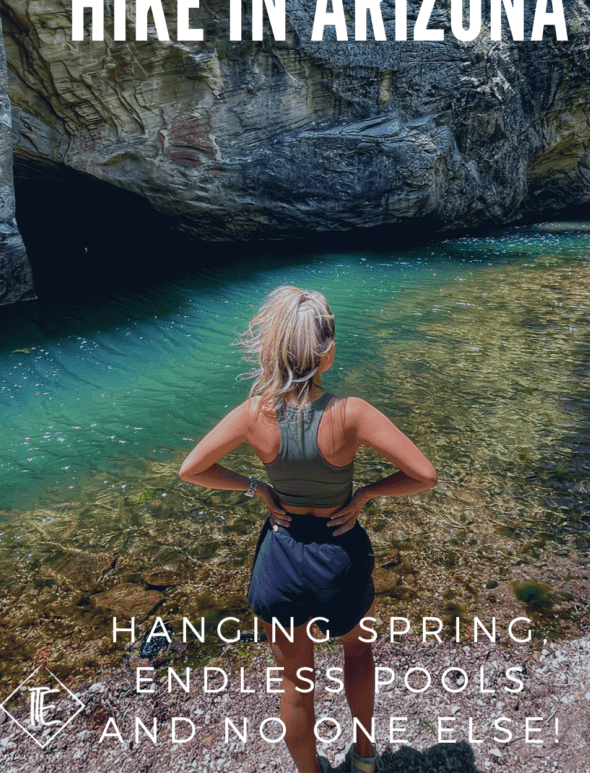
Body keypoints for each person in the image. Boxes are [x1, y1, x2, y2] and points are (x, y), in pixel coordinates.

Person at [179, 286, 437, 773]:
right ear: (328, 351)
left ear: (275, 349)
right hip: (339, 552)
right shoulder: (351, 414)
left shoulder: (255, 413)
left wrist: (255, 486)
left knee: (296, 681)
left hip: (282, 555)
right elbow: (423, 475)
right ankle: (363, 760)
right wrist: (365, 494)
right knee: (357, 654)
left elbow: (191, 469)